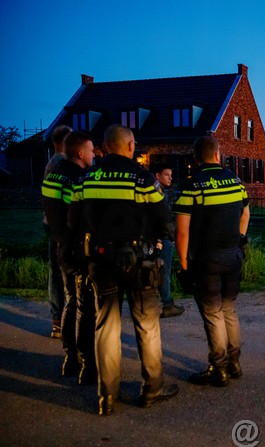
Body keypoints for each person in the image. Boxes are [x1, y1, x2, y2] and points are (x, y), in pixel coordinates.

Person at [76, 124, 178, 415]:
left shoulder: (86, 178)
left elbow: (74, 219)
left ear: (104, 147)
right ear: (131, 146)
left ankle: (106, 395)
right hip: (138, 260)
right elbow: (164, 218)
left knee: (105, 324)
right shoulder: (142, 178)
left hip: (100, 259)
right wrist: (159, 242)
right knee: (146, 324)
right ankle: (152, 389)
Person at [174, 135, 250, 387]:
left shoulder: (192, 185)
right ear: (218, 154)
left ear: (196, 158)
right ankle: (235, 362)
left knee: (213, 314)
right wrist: (239, 238)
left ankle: (219, 368)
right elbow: (245, 211)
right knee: (229, 309)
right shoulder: (235, 181)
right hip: (233, 255)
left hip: (206, 260)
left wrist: (183, 263)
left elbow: (182, 230)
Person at [42, 131, 97, 384]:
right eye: (91, 150)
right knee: (85, 306)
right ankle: (86, 364)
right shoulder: (79, 178)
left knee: (69, 301)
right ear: (79, 153)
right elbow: (80, 216)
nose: (94, 154)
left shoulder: (52, 176)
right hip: (78, 249)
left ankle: (69, 358)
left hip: (59, 246)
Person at [43, 125, 72, 338]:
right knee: (61, 271)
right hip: (59, 225)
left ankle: (57, 319)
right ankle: (61, 319)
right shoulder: (62, 164)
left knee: (55, 268)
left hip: (49, 222)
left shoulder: (50, 162)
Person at [152, 162, 184, 318]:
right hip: (162, 237)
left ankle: (160, 302)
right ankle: (167, 304)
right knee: (164, 271)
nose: (170, 178)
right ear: (158, 175)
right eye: (167, 175)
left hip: (158, 237)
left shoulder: (161, 191)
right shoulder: (157, 192)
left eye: (171, 175)